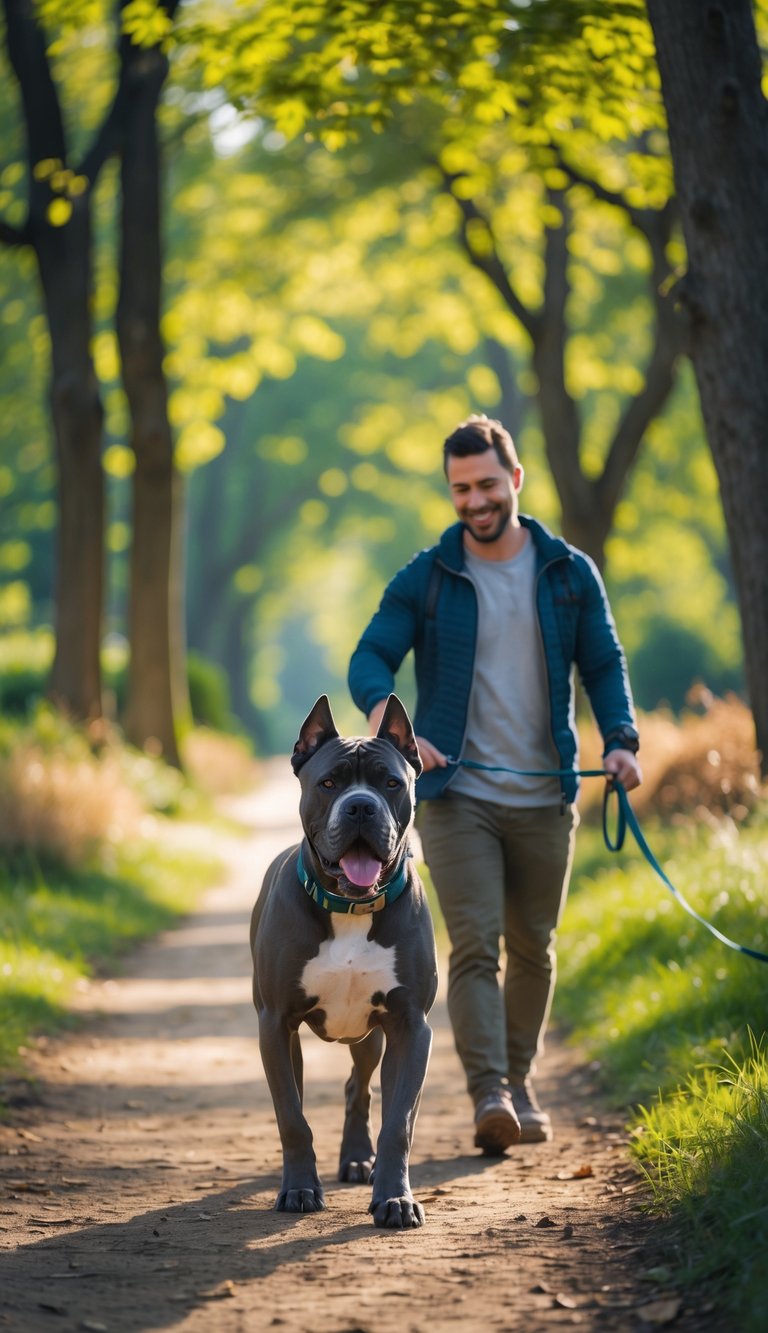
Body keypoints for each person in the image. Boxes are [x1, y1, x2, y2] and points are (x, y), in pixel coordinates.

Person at [348, 414, 642, 1154]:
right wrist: (393, 720)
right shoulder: (429, 575)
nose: (473, 500)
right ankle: (492, 1094)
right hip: (456, 799)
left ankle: (520, 1079)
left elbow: (603, 665)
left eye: (484, 484)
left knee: (534, 946)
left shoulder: (568, 571)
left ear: (514, 479)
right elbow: (371, 657)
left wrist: (621, 742)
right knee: (476, 944)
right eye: (459, 489)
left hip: (547, 795)